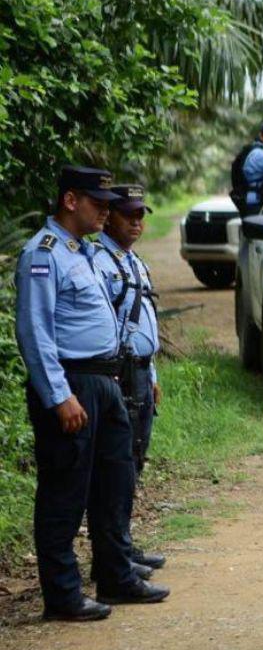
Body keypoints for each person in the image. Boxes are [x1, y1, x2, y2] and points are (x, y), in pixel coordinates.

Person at [15, 166, 169, 622]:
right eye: (97, 203)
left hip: (105, 381)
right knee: (65, 490)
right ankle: (62, 595)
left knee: (114, 479)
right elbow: (34, 330)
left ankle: (115, 574)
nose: (106, 210)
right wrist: (58, 395)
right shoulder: (43, 255)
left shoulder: (80, 252)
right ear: (69, 200)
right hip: (73, 381)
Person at [93, 184, 167, 572]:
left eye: (141, 215)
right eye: (129, 215)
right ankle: (111, 553)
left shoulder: (135, 261)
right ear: (110, 217)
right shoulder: (98, 261)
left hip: (140, 372)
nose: (136, 223)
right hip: (116, 374)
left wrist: (151, 373)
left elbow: (143, 320)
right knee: (115, 466)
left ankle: (122, 546)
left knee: (133, 461)